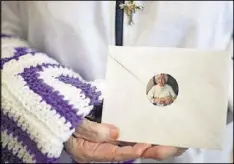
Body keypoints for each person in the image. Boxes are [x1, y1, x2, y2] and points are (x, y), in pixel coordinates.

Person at [1, 1, 233, 163]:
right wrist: (46, 101)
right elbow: (5, 23)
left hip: (195, 153)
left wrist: (215, 103)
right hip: (53, 145)